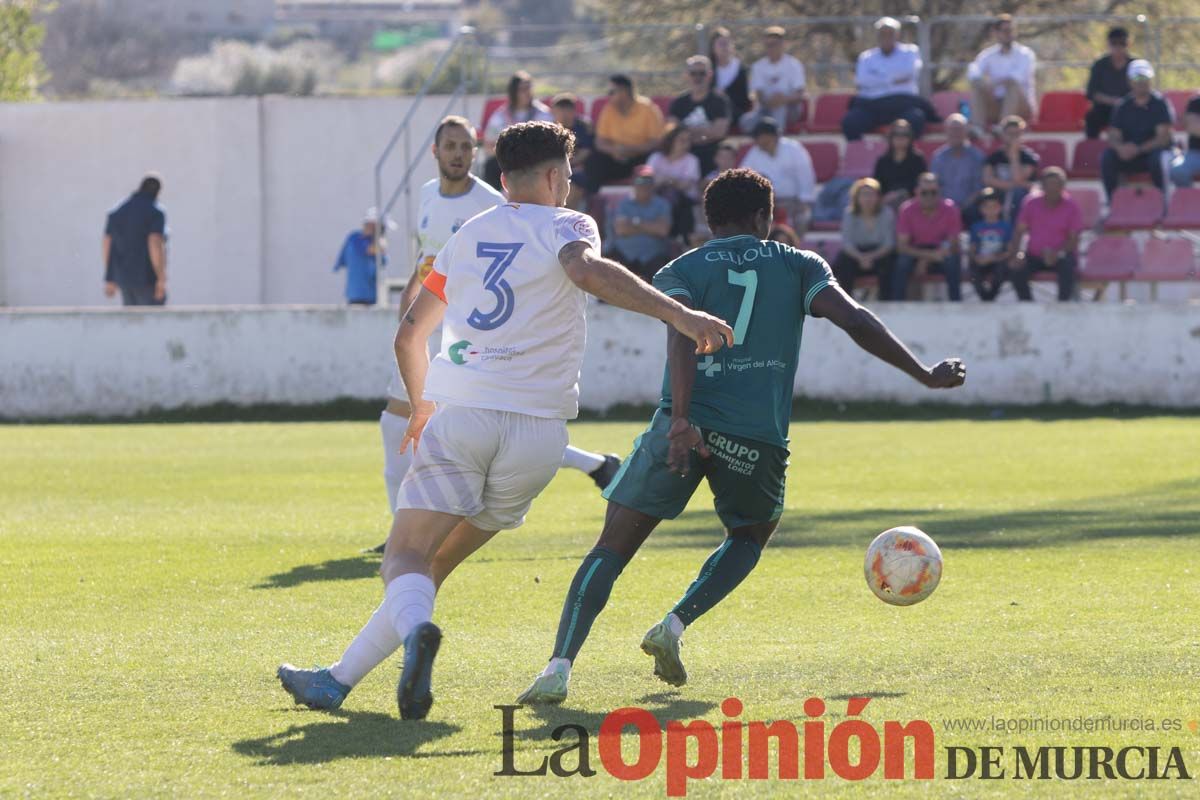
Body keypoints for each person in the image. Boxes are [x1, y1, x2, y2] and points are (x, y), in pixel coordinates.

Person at [277, 121, 734, 720]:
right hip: (539, 438)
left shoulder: (466, 236)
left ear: (502, 179)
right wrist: (681, 315)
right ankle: (336, 682)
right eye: (567, 177)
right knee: (435, 564)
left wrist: (420, 407)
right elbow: (587, 271)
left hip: (463, 416)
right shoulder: (570, 224)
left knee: (405, 558)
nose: (568, 189)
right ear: (551, 177)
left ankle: (416, 635)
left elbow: (411, 334)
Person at [515, 168, 967, 705]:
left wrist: (681, 420)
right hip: (755, 437)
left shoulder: (681, 268)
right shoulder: (799, 265)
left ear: (709, 223)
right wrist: (923, 374)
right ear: (765, 218)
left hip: (681, 428)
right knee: (750, 535)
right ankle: (674, 625)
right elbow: (855, 319)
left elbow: (683, 338)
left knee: (611, 548)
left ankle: (558, 667)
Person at [382, 116, 621, 555]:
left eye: (465, 146)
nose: (458, 153)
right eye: (450, 145)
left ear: (481, 158)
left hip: (474, 358)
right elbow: (425, 265)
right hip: (466, 347)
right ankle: (409, 548)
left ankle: (407, 547)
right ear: (435, 151)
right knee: (412, 429)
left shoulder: (488, 210)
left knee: (413, 547)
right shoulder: (427, 198)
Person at [842, 17, 930, 141]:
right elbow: (862, 81)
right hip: (871, 106)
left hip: (903, 105)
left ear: (897, 35)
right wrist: (893, 79)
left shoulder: (910, 52)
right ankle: (863, 156)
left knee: (916, 119)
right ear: (877, 36)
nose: (886, 37)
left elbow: (910, 72)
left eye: (890, 33)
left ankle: (906, 157)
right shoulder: (866, 57)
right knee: (850, 122)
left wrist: (877, 78)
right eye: (882, 33)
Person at [579, 74, 665, 195]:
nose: (608, 96)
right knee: (594, 161)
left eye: (611, 92)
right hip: (615, 158)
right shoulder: (608, 109)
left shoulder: (648, 109)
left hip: (641, 159)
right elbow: (600, 141)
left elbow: (656, 142)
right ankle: (592, 202)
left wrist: (631, 150)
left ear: (624, 91)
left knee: (654, 159)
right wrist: (615, 150)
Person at [1101, 59, 1172, 200]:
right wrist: (1121, 148)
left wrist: (1138, 149)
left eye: (1145, 77)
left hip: (1152, 154)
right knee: (1107, 158)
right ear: (1130, 81)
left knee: (1158, 159)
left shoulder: (1160, 104)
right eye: (1137, 77)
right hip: (1130, 155)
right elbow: (1113, 135)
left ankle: (1163, 202)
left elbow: (1163, 138)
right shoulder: (1122, 106)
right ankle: (1112, 203)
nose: (1141, 82)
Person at [1010, 167, 1084, 302]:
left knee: (1068, 267)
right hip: (1034, 255)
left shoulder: (1072, 206)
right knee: (1017, 270)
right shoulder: (1031, 203)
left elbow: (1074, 239)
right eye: (1049, 184)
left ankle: (1062, 308)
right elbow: (1019, 231)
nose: (1052, 188)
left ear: (1063, 186)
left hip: (1061, 256)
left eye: (1057, 184)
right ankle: (1029, 308)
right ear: (1042, 186)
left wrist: (1057, 254)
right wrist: (1017, 254)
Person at [740, 117, 817, 236]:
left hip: (794, 202)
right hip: (765, 204)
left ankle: (796, 249)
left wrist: (804, 201)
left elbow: (806, 176)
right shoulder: (754, 153)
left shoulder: (794, 149)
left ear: (771, 136)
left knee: (802, 218)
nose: (757, 141)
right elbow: (743, 177)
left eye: (759, 137)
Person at [894, 173, 963, 301]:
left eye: (933, 192)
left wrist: (928, 259)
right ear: (916, 192)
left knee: (952, 261)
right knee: (902, 263)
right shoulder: (907, 209)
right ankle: (897, 305)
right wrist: (928, 256)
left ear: (939, 192)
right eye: (924, 192)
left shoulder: (950, 209)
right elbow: (902, 246)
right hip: (916, 251)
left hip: (941, 250)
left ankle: (956, 304)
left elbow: (952, 243)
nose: (929, 196)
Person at [103, 174, 167, 306]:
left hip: (123, 278)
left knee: (131, 321)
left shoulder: (118, 212)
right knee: (153, 322)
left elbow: (107, 243)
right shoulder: (155, 212)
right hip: (147, 278)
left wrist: (110, 277)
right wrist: (161, 279)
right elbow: (154, 242)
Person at [482, 71, 553, 190]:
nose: (527, 93)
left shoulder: (543, 115)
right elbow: (489, 145)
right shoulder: (500, 116)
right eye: (522, 89)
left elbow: (550, 143)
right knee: (491, 166)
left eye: (529, 88)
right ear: (513, 91)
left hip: (535, 161)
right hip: (507, 161)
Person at [967, 14, 1037, 134]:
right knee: (976, 84)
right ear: (996, 33)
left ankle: (1003, 128)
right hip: (997, 105)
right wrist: (983, 83)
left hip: (1021, 108)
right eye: (1005, 30)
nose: (1009, 34)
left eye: (1011, 30)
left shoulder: (1026, 54)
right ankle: (977, 128)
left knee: (1012, 85)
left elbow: (1016, 78)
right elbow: (973, 70)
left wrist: (995, 83)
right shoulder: (988, 55)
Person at [667, 55, 731, 175]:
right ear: (686, 75)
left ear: (710, 75)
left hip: (711, 155)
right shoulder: (678, 103)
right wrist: (705, 132)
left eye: (702, 73)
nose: (697, 77)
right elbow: (672, 132)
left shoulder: (720, 101)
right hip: (684, 154)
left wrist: (687, 132)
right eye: (693, 73)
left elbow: (719, 132)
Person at [831, 177, 896, 297]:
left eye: (872, 194)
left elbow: (888, 243)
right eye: (864, 195)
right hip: (856, 254)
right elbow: (847, 244)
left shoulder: (886, 213)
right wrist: (861, 257)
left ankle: (887, 301)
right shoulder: (849, 214)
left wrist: (870, 257)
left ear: (878, 197)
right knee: (844, 261)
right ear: (857, 197)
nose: (868, 198)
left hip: (879, 253)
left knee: (890, 263)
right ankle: (846, 302)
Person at [610, 166, 674, 281]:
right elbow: (621, 230)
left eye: (649, 181)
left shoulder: (662, 204)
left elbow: (663, 230)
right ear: (633, 183)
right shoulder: (624, 204)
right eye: (640, 180)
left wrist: (634, 223)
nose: (645, 185)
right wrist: (651, 226)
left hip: (654, 257)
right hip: (624, 255)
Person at [741, 26, 807, 133]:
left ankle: (777, 142)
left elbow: (799, 94)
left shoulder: (794, 65)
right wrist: (770, 102)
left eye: (775, 44)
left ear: (783, 44)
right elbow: (758, 94)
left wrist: (783, 99)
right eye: (768, 45)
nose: (771, 48)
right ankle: (761, 144)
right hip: (765, 107)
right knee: (746, 121)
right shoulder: (758, 66)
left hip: (790, 108)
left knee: (779, 110)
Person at [647, 124, 702, 241]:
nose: (685, 144)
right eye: (681, 140)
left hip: (684, 202)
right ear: (671, 140)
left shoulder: (692, 160)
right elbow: (648, 181)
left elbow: (685, 186)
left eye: (688, 140)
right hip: (657, 198)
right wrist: (672, 181)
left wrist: (665, 180)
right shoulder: (656, 157)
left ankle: (673, 237)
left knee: (671, 195)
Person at [929, 113, 986, 223]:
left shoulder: (977, 156)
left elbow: (979, 188)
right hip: (943, 207)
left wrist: (963, 206)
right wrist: (948, 206)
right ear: (946, 131)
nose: (956, 133)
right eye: (952, 129)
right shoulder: (938, 157)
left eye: (959, 129)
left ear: (966, 131)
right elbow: (935, 187)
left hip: (970, 206)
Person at [983, 115, 1039, 220]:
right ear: (1003, 135)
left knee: (1017, 194)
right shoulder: (995, 157)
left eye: (1017, 134)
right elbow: (987, 179)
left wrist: (1014, 155)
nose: (1013, 137)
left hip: (1020, 198)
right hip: (999, 195)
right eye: (1010, 134)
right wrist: (1013, 185)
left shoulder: (1029, 157)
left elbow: (1018, 178)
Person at [1085, 27, 1135, 139]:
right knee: (1092, 118)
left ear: (1128, 44)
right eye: (1114, 43)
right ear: (1108, 44)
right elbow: (1091, 92)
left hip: (1131, 108)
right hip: (1105, 109)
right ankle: (1091, 150)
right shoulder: (1099, 65)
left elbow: (1145, 90)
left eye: (1122, 43)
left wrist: (1124, 102)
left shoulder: (1136, 65)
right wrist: (1112, 101)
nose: (1118, 47)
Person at [967, 188, 1014, 301]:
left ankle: (989, 299)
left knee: (1001, 271)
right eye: (987, 206)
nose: (991, 210)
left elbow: (1009, 250)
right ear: (981, 209)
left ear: (1000, 208)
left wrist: (994, 258)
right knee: (974, 273)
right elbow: (972, 249)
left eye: (994, 206)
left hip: (998, 260)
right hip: (981, 260)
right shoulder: (976, 227)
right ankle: (985, 299)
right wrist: (976, 258)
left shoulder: (1006, 227)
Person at [873, 119, 927, 208]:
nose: (900, 138)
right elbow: (877, 186)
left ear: (910, 138)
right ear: (891, 137)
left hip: (912, 206)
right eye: (896, 134)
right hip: (886, 206)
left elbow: (921, 185)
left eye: (905, 135)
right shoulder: (882, 162)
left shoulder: (918, 160)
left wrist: (900, 194)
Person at [333, 213, 384, 305]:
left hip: (373, 295)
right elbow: (371, 250)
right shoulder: (355, 238)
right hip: (358, 295)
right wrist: (381, 241)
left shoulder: (372, 240)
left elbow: (384, 260)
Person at [708, 26, 752, 123]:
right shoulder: (707, 68)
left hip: (735, 113)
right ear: (713, 47)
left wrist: (725, 96)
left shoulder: (741, 69)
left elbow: (744, 99)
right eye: (721, 44)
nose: (724, 47)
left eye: (726, 43)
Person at [1169, 93, 1200, 187]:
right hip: (1196, 154)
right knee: (1178, 170)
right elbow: (1193, 127)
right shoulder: (1196, 102)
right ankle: (1190, 199)